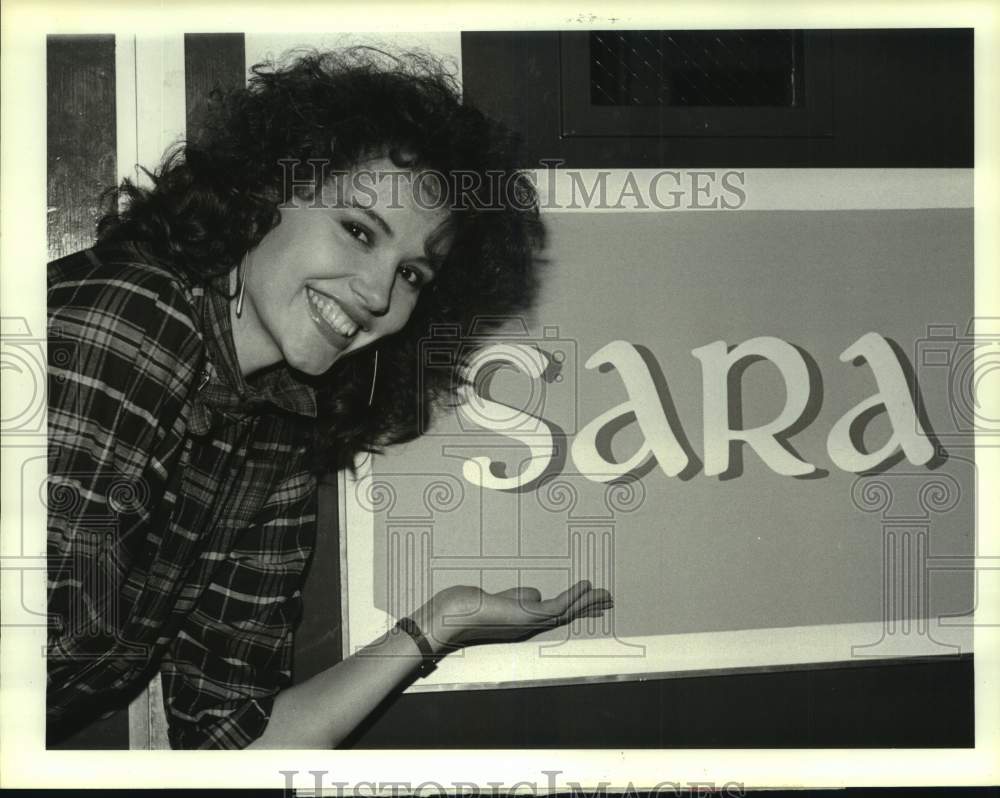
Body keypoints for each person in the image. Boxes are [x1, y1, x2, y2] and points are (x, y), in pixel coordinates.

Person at [46, 47, 613, 750]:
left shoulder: (276, 422)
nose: (378, 294)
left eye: (410, 272)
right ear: (263, 191)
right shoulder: (134, 320)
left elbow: (231, 742)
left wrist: (437, 626)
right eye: (357, 230)